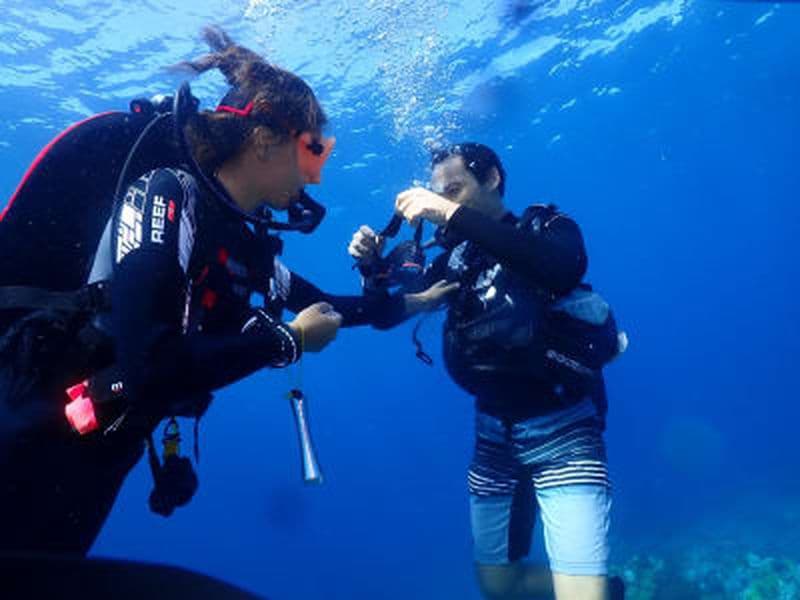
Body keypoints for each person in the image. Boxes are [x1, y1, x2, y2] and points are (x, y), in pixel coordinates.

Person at [0, 27, 451, 557]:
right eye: (311, 151)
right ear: (263, 140)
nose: (316, 176)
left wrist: (414, 301)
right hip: (29, 428)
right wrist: (285, 342)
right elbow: (150, 366)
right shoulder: (168, 196)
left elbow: (328, 308)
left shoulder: (243, 242)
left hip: (101, 446)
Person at [349, 143, 624, 600]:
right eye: (439, 194)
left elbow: (561, 268)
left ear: (492, 177)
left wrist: (447, 213)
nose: (444, 202)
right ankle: (613, 591)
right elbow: (383, 315)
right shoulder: (455, 261)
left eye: (454, 189)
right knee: (497, 586)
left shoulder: (546, 228)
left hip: (565, 432)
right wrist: (370, 268)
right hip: (493, 436)